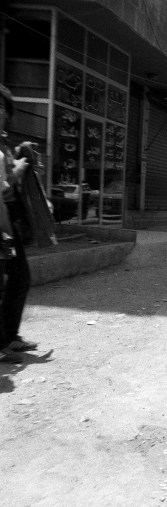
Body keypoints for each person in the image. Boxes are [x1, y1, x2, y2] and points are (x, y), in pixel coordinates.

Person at [0, 84, 37, 363]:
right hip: (2, 215)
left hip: (7, 216)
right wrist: (21, 165)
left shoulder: (2, 143)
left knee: (19, 276)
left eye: (2, 107)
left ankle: (8, 337)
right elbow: (4, 183)